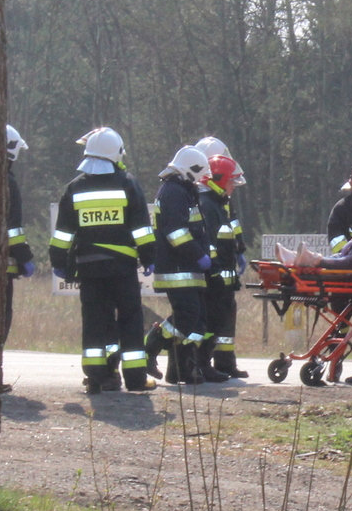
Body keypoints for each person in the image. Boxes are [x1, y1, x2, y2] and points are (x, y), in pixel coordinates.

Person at [50, 127, 156, 392]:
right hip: (122, 268)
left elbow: (63, 233)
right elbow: (141, 228)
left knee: (95, 322)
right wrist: (149, 257)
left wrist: (58, 262)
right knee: (130, 320)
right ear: (116, 153)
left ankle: (98, 378)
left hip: (89, 269)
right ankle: (136, 378)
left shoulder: (75, 187)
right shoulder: (128, 183)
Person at [151, 145, 226, 384]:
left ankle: (181, 368)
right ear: (191, 170)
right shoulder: (173, 192)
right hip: (177, 269)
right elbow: (176, 233)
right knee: (187, 316)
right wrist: (198, 255)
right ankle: (150, 347)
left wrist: (204, 258)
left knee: (197, 319)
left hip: (188, 269)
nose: (201, 181)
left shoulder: (182, 191)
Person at [200, 152, 250, 379]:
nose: (233, 187)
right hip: (215, 278)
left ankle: (222, 364)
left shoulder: (219, 204)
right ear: (219, 180)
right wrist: (217, 271)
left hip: (224, 278)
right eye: (231, 182)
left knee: (221, 320)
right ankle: (202, 364)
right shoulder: (208, 206)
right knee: (210, 321)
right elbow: (210, 244)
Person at [2, 126, 37, 346]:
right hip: (1, 270)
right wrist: (25, 258)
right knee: (1, 319)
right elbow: (12, 229)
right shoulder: (8, 182)